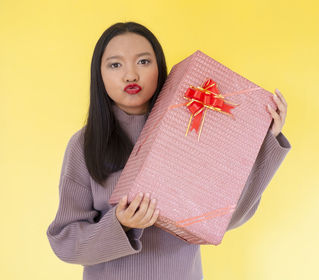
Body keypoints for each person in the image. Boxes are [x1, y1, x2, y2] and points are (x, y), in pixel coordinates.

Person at [46, 21, 291, 280]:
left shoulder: (195, 125)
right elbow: (64, 242)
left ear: (160, 67)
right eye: (115, 64)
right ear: (99, 74)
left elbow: (228, 218)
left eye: (143, 62)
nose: (130, 75)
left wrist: (265, 138)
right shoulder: (84, 144)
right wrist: (119, 225)